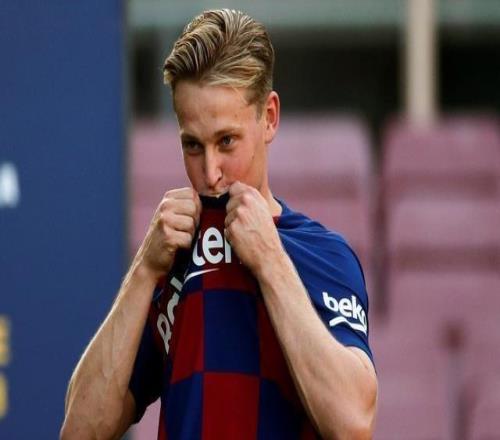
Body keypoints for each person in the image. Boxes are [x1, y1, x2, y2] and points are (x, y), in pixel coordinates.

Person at [61, 9, 377, 440]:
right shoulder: (170, 262)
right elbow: (80, 431)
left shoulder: (322, 255)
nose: (210, 173)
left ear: (269, 117)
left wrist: (270, 261)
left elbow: (353, 424)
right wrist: (143, 272)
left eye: (226, 141)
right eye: (193, 146)